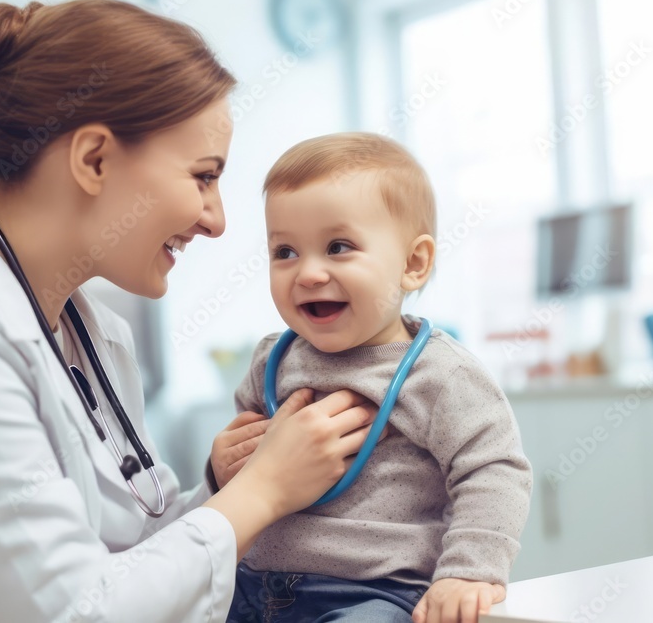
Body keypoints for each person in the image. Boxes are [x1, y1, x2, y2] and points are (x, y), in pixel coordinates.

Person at [0, 0, 384, 623]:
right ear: (94, 159)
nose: (217, 220)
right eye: (202, 176)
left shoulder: (90, 333)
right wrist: (265, 491)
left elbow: (132, 556)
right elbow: (78, 612)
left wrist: (223, 486)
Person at [225, 133, 533, 623]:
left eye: (338, 247)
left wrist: (468, 571)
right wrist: (221, 467)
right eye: (284, 252)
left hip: (374, 595)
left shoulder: (442, 374)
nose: (307, 273)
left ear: (413, 264)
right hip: (250, 587)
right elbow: (244, 473)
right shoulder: (271, 361)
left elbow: (493, 470)